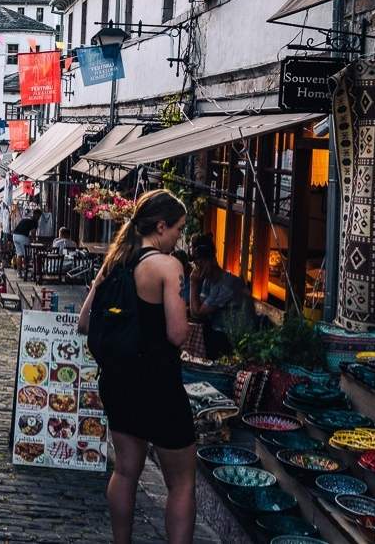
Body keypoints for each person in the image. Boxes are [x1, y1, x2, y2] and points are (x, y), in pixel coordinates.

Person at [77, 189, 195, 544]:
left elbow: (84, 321)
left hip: (118, 381)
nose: (179, 237)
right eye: (178, 229)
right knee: (182, 482)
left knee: (126, 471)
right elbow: (177, 334)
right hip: (158, 383)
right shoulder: (167, 266)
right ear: (161, 226)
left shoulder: (115, 261)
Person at [189, 234, 251, 360]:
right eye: (196, 264)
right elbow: (195, 310)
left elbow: (198, 313)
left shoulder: (226, 284)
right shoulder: (208, 281)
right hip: (218, 335)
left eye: (201, 263)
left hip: (235, 341)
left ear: (212, 259)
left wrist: (193, 283)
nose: (198, 268)